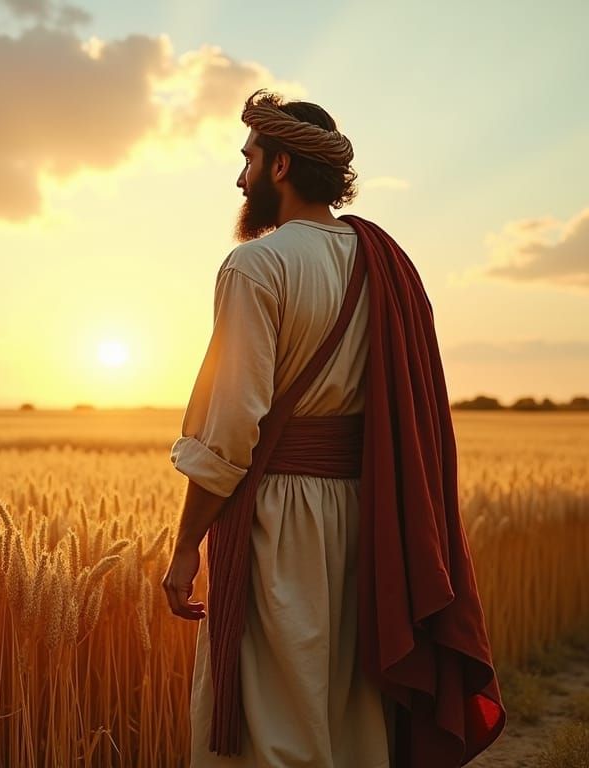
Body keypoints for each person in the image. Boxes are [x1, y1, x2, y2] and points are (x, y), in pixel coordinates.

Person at [163, 90, 505, 768]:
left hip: (278, 522)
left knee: (273, 725)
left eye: (249, 159)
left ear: (281, 166)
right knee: (352, 715)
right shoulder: (384, 262)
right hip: (370, 523)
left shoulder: (255, 265)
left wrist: (184, 550)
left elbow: (231, 430)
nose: (240, 178)